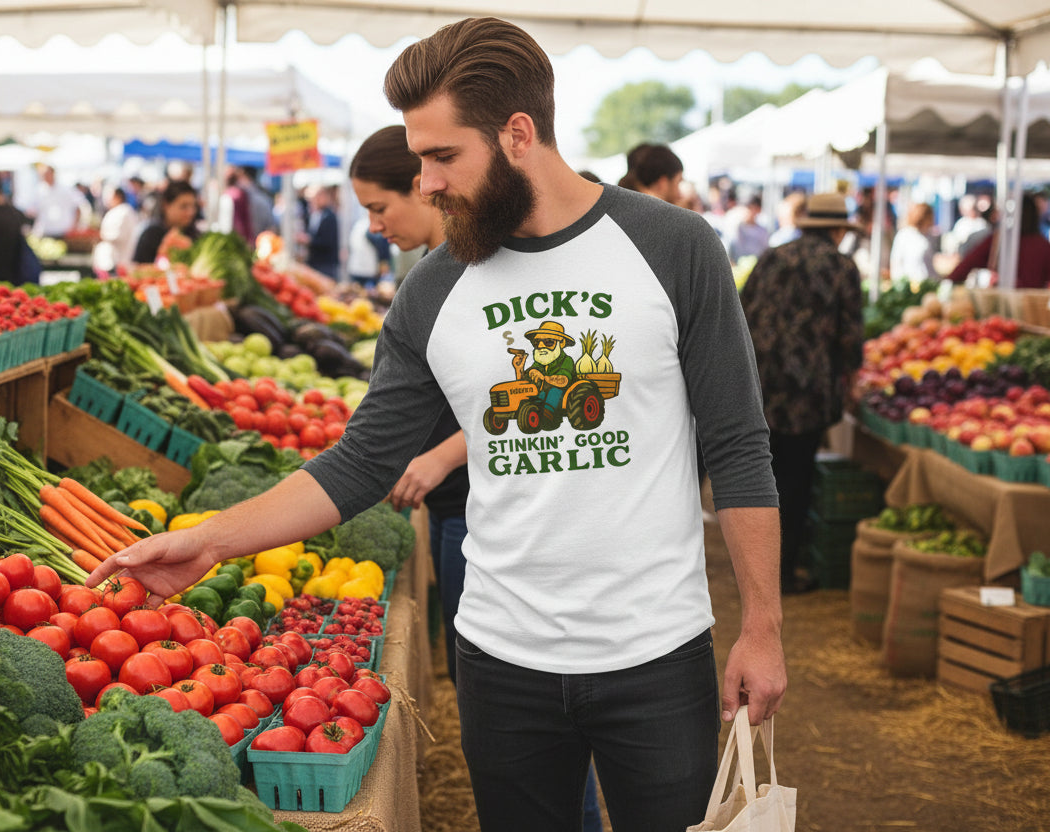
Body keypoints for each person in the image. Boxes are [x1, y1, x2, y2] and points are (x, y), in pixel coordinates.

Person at [88, 17, 785, 832]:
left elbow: (738, 444)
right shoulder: (432, 289)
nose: (424, 184)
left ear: (518, 134)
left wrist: (763, 625)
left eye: (443, 156)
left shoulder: (675, 246)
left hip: (658, 654)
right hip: (501, 661)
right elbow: (360, 463)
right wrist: (209, 541)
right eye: (419, 159)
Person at [351, 123, 606, 831]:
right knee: (497, 710)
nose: (374, 225)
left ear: (422, 184)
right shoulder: (430, 280)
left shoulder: (499, 270)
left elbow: (528, 405)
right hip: (455, 510)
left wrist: (440, 455)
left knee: (544, 720)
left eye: (379, 207)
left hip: (487, 512)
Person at [739, 192, 865, 596]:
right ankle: (783, 572)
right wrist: (852, 381)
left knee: (757, 479)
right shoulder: (841, 267)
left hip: (758, 384)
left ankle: (751, 567)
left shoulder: (773, 256)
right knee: (794, 483)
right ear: (838, 230)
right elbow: (851, 336)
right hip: (807, 392)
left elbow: (740, 311)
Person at [948, 192, 1050, 289]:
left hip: (1001, 303)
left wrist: (947, 283)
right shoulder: (1046, 247)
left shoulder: (997, 241)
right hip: (1032, 306)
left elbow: (963, 268)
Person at [131, 180, 198, 265]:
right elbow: (138, 267)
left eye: (193, 206)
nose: (191, 212)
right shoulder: (151, 235)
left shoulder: (196, 237)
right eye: (184, 206)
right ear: (166, 205)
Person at [616, 142, 683, 204]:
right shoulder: (654, 210)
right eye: (678, 182)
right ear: (662, 183)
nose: (680, 195)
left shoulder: (623, 202)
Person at [27, 165, 82, 239]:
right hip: (44, 231)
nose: (45, 177)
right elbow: (32, 210)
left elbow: (77, 207)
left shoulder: (66, 189)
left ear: (53, 173)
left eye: (47, 174)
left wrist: (74, 226)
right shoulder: (38, 191)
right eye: (43, 175)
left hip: (64, 231)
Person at [888, 202, 937, 283]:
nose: (932, 221)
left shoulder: (926, 236)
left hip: (926, 283)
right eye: (930, 218)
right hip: (910, 284)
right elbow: (896, 263)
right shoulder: (904, 235)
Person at [94, 187, 139, 273]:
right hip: (109, 258)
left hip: (118, 258)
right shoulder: (116, 211)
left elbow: (119, 235)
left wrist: (102, 236)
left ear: (118, 197)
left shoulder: (125, 211)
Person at [299, 185, 340, 279]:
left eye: (314, 199)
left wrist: (309, 240)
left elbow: (328, 241)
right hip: (315, 262)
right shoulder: (313, 215)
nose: (312, 202)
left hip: (326, 264)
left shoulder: (330, 216)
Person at [724, 193, 771, 262]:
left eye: (749, 208)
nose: (745, 211)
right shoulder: (735, 227)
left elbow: (765, 253)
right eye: (744, 207)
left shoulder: (763, 232)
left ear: (758, 209)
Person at [218, 167, 255, 242]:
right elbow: (246, 216)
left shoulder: (227, 195)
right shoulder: (240, 193)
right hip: (240, 231)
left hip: (234, 231)